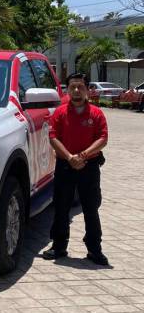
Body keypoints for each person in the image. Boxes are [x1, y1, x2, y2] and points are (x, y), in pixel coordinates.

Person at [42, 73, 109, 266]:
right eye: (73, 87)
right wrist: (70, 157)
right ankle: (59, 246)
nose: (77, 91)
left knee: (91, 208)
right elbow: (53, 137)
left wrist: (83, 156)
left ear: (88, 90)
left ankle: (95, 249)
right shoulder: (60, 113)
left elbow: (103, 138)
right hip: (65, 166)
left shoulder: (96, 113)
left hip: (89, 167)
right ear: (67, 90)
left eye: (81, 87)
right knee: (61, 207)